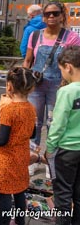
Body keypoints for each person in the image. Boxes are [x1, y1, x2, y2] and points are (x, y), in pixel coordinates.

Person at [23, 2, 80, 149]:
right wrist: (23, 82)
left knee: (54, 122)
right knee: (33, 122)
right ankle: (33, 155)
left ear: (62, 16)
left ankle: (51, 156)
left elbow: (74, 63)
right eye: (48, 14)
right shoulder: (35, 35)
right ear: (43, 17)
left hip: (59, 86)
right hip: (36, 85)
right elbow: (28, 60)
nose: (51, 16)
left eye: (55, 13)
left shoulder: (72, 37)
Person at [0, 67, 37, 225]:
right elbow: (33, 134)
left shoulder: (8, 110)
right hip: (22, 156)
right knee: (19, 191)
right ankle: (20, 221)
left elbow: (2, 139)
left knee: (4, 193)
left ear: (9, 86)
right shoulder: (31, 108)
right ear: (30, 88)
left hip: (7, 160)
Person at [46, 46, 80, 225]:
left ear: (68, 67)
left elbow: (58, 124)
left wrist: (50, 148)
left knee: (63, 196)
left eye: (61, 70)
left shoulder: (67, 92)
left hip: (67, 150)